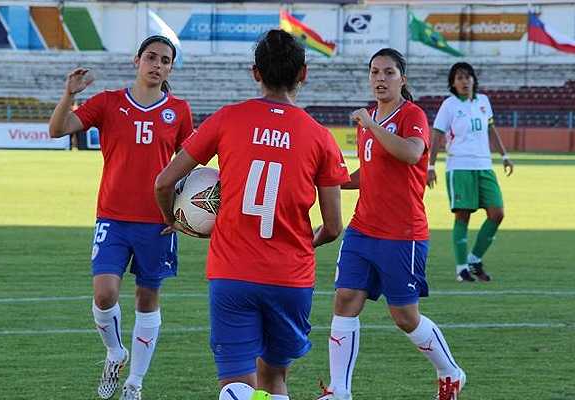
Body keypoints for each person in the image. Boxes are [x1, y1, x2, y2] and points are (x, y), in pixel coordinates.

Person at [155, 29, 350, 400]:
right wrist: (304, 243)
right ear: (304, 74)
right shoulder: (320, 137)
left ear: (255, 73)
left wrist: (172, 218)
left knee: (236, 386)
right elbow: (335, 225)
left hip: (232, 274)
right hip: (290, 277)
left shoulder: (228, 119)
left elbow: (164, 183)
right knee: (275, 380)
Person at [49, 35, 194, 400]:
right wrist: (69, 94)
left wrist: (183, 211)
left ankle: (135, 383)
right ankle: (115, 352)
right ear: (137, 61)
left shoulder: (178, 110)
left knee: (147, 300)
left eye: (165, 60)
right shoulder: (109, 103)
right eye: (151, 57)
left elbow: (191, 165)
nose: (157, 64)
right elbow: (56, 130)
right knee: (104, 293)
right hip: (112, 218)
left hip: (156, 223)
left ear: (170, 68)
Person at [317, 49, 465, 400]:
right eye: (374, 72)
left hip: (403, 235)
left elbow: (412, 153)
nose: (380, 79)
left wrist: (371, 125)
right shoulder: (370, 117)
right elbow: (368, 174)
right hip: (362, 229)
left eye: (388, 72)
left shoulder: (411, 114)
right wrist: (331, 179)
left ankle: (451, 372)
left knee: (404, 316)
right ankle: (339, 390)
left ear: (403, 78)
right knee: (345, 299)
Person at [428, 62, 514, 282]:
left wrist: (504, 156)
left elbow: (491, 129)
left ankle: (475, 258)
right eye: (459, 78)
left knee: (497, 213)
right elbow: (437, 135)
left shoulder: (483, 101)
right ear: (453, 83)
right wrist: (431, 166)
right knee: (463, 216)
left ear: (474, 80)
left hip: (484, 166)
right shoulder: (449, 105)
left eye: (467, 77)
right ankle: (461, 269)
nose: (464, 81)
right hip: (460, 166)